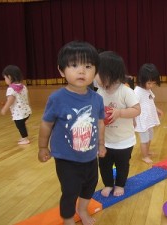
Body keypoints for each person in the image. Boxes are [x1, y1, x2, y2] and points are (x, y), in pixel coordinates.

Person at [38, 41, 106, 225]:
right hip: (66, 158)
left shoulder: (97, 99)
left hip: (90, 156)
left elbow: (100, 122)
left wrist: (101, 144)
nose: (81, 71)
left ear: (95, 71)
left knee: (89, 186)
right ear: (61, 71)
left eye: (88, 66)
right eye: (74, 65)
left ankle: (82, 210)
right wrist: (43, 146)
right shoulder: (57, 98)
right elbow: (46, 124)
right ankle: (68, 218)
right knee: (70, 190)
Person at [95, 51, 141, 197]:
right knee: (104, 165)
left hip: (124, 141)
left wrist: (120, 112)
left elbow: (137, 110)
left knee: (122, 165)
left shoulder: (125, 91)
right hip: (105, 141)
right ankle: (108, 184)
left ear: (109, 73)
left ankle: (120, 184)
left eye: (97, 72)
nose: (93, 76)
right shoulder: (99, 92)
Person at [134, 63, 163, 164]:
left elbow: (150, 102)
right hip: (142, 120)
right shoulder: (137, 91)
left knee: (150, 136)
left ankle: (147, 151)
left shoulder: (148, 90)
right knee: (144, 139)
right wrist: (133, 120)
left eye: (153, 83)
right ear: (142, 80)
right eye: (149, 83)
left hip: (148, 119)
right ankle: (144, 156)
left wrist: (157, 109)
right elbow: (133, 106)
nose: (151, 86)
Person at [1, 65, 32, 145]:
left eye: (5, 78)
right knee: (22, 124)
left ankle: (25, 139)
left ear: (9, 77)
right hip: (26, 111)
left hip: (19, 113)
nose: (5, 80)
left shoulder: (11, 89)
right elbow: (27, 98)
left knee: (20, 126)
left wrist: (4, 109)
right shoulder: (23, 87)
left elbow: (10, 100)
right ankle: (24, 136)